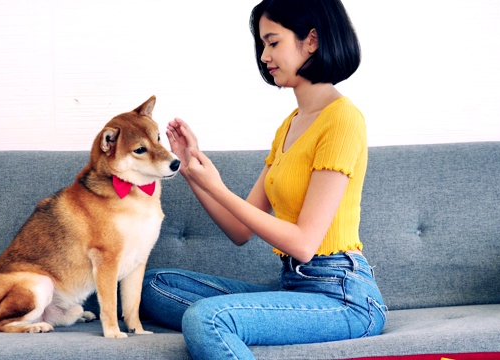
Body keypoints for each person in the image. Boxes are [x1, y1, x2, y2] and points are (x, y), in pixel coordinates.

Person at [140, 0, 387, 358]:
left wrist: (218, 187)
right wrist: (194, 171)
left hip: (344, 296)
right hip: (295, 287)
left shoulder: (343, 120)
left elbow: (303, 244)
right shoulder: (289, 126)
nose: (264, 56)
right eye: (262, 45)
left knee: (207, 319)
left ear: (312, 41)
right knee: (154, 285)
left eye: (273, 42)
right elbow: (240, 230)